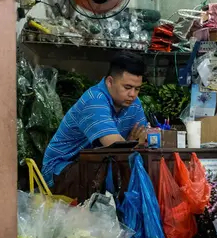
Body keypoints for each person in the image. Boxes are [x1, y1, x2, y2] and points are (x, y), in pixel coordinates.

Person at [42, 52, 148, 198]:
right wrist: (130, 144)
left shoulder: (134, 104)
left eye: (137, 89)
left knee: (139, 168)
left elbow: (142, 141)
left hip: (97, 166)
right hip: (62, 170)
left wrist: (129, 145)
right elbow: (115, 146)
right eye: (127, 87)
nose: (133, 94)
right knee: (114, 167)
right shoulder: (94, 100)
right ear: (109, 82)